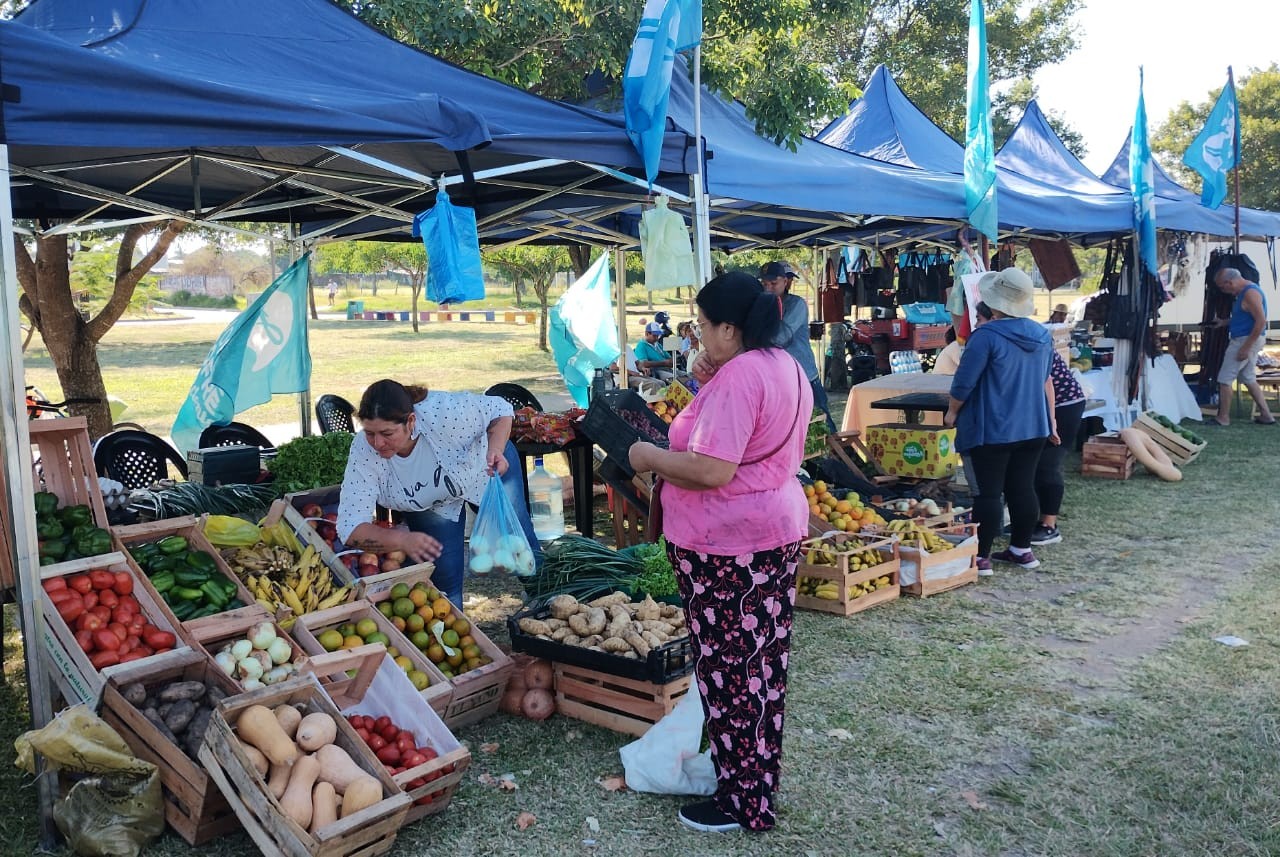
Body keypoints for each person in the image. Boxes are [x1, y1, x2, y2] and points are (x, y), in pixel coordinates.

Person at [628, 271, 812, 834]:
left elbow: (712, 468)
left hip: (730, 544)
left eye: (704, 326)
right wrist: (712, 380)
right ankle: (748, 780)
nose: (698, 335)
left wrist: (648, 455)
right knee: (758, 669)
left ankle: (745, 801)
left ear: (730, 328)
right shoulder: (783, 365)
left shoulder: (743, 378)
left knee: (732, 671)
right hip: (768, 531)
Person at [335, 379, 541, 607]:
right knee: (443, 583)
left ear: (410, 421)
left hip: (484, 467)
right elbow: (349, 527)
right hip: (430, 503)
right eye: (370, 433)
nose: (378, 443)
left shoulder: (442, 411)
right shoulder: (363, 452)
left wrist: (495, 450)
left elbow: (500, 409)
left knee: (521, 545)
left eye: (387, 433)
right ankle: (456, 638)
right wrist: (402, 540)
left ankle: (546, 603)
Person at [945, 269, 1053, 574]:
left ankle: (981, 558)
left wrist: (952, 412)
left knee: (988, 493)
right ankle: (1022, 549)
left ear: (992, 306)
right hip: (1033, 425)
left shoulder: (986, 336)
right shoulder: (1042, 335)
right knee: (1022, 487)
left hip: (992, 427)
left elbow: (963, 384)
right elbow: (1044, 378)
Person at [761, 260, 834, 430]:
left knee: (823, 425)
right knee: (793, 428)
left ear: (785, 282)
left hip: (805, 376)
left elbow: (779, 338)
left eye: (773, 283)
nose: (768, 288)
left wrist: (757, 336)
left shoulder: (796, 304)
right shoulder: (764, 305)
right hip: (781, 379)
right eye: (764, 284)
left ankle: (840, 455)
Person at [1207, 267, 1274, 426]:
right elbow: (1246, 317)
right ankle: (1266, 415)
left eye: (1223, 287)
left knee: (1225, 379)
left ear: (1229, 282)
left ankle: (1223, 418)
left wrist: (1246, 347)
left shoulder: (1250, 293)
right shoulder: (1246, 292)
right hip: (1247, 339)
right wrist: (1224, 322)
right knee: (1248, 378)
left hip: (1245, 340)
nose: (1224, 291)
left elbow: (1261, 321)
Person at [1031, 349, 1086, 545]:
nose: (977, 323)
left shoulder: (1029, 339)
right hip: (1042, 407)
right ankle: (1031, 519)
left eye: (980, 318)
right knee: (1032, 465)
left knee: (1047, 464)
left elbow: (1046, 382)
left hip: (1064, 405)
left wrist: (1052, 421)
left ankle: (1049, 525)